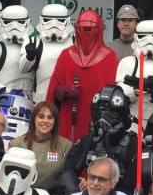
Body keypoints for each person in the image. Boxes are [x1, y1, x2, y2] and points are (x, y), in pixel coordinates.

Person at [47, 9, 119, 143]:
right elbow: (53, 91)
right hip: (69, 118)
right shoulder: (66, 55)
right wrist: (65, 91)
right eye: (82, 29)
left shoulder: (110, 57)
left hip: (99, 120)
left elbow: (116, 95)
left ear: (99, 29)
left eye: (89, 29)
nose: (86, 33)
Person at [7, 101, 72, 193]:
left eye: (50, 117)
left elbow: (69, 176)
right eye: (41, 117)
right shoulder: (17, 144)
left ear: (55, 121)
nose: (45, 121)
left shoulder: (66, 145)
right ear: (34, 119)